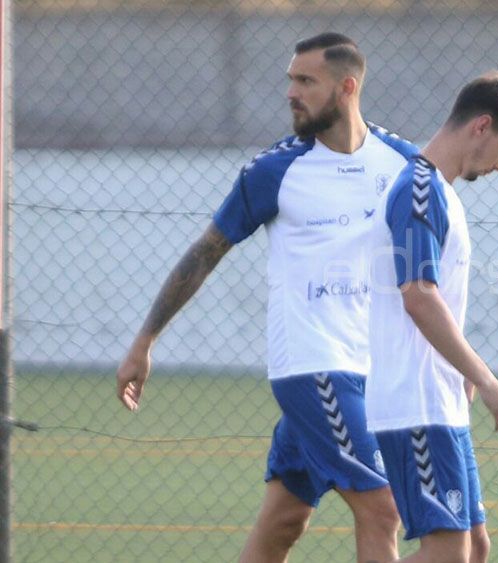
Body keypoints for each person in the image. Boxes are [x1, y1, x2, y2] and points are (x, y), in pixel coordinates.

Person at [115, 32, 418, 563]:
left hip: (370, 369)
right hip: (313, 367)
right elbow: (204, 253)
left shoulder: (402, 162)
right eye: (290, 80)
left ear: (347, 88)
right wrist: (145, 340)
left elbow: (428, 264)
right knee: (383, 508)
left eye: (306, 81)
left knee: (282, 523)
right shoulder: (274, 170)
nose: (291, 93)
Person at [365, 71, 498, 563]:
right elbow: (418, 295)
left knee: (475, 547)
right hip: (414, 403)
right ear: (482, 126)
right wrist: (483, 378)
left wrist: (461, 381)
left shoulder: (442, 193)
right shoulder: (418, 190)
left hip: (442, 403)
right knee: (447, 554)